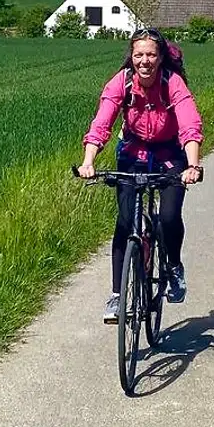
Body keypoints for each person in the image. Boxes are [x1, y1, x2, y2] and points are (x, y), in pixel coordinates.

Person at [76, 27, 203, 323]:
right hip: (133, 153)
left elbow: (189, 125)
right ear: (131, 58)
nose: (144, 60)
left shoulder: (173, 84)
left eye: (150, 55)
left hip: (170, 154)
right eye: (139, 55)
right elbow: (102, 123)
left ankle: (173, 268)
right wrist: (88, 161)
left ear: (160, 59)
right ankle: (118, 295)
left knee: (169, 217)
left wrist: (192, 166)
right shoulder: (122, 82)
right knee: (124, 223)